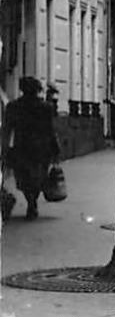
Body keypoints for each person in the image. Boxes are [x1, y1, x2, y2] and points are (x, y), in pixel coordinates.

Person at [3, 77, 61, 219]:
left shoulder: (13, 107)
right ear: (37, 90)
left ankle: (31, 201)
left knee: (24, 177)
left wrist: (4, 147)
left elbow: (7, 129)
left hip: (22, 147)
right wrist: (56, 148)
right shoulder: (45, 107)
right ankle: (32, 201)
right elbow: (51, 130)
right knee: (37, 176)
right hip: (41, 149)